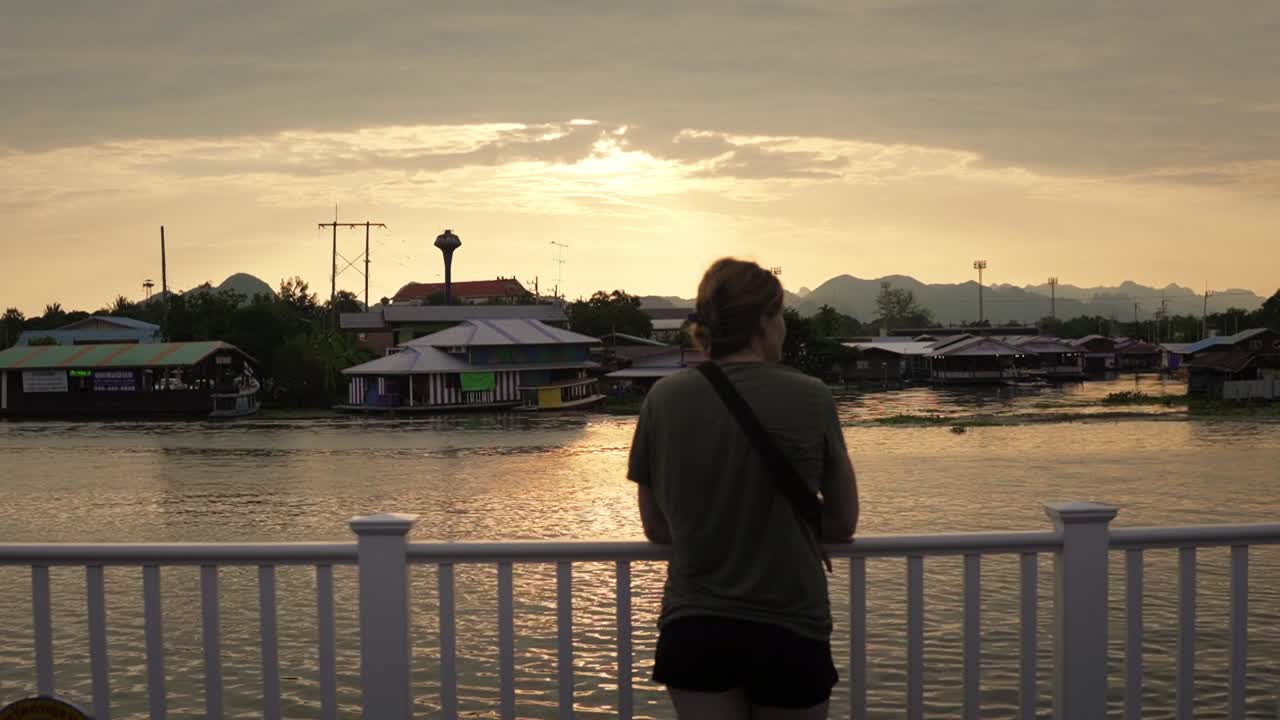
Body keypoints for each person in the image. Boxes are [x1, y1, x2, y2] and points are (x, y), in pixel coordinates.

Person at [628, 258, 860, 719]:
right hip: (789, 626)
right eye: (781, 315)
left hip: (695, 627)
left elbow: (655, 526)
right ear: (763, 321)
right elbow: (842, 521)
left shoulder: (663, 398)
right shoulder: (812, 396)